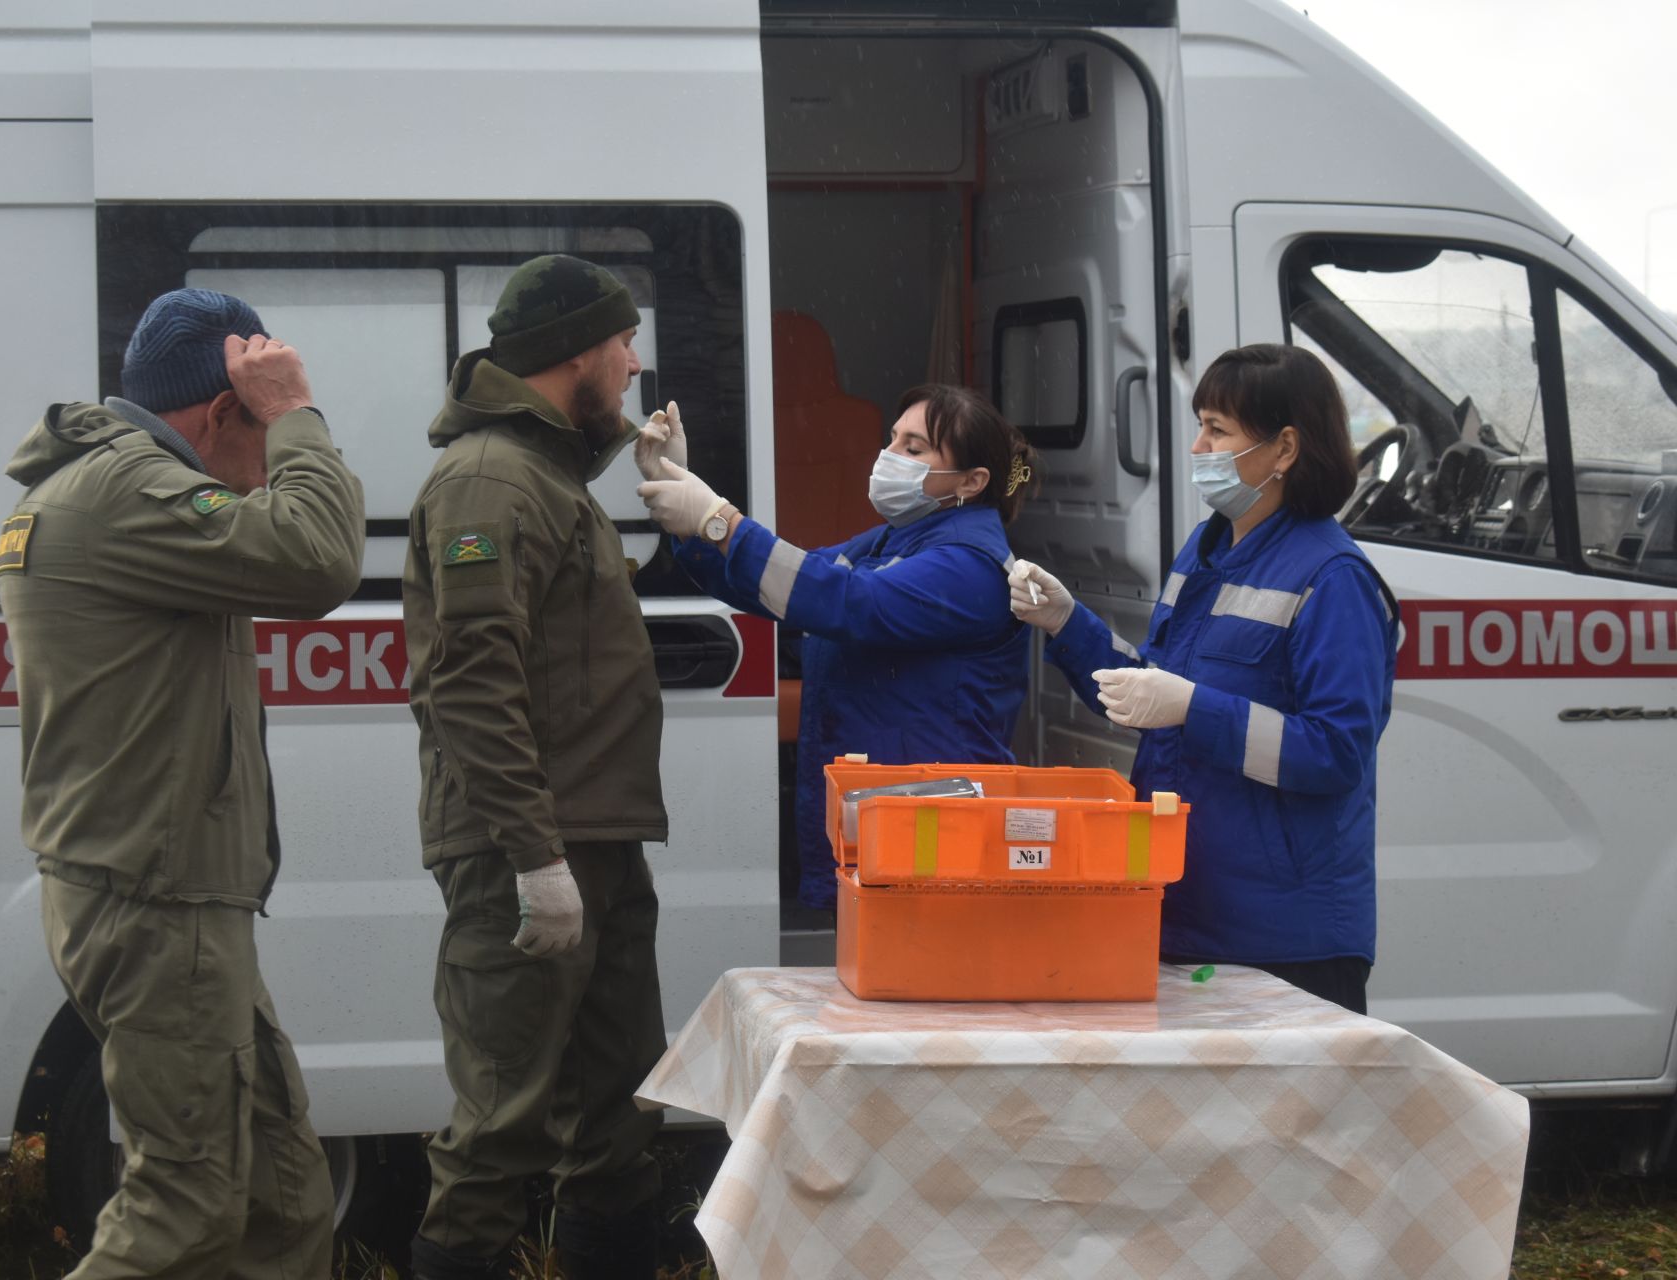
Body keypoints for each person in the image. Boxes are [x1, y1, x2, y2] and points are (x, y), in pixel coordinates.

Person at [0, 288, 366, 1277]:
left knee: (282, 1201)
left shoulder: (101, 487)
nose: (263, 474)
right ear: (221, 412)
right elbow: (320, 559)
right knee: (186, 1203)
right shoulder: (133, 490)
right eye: (258, 433)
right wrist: (298, 414)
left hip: (167, 896)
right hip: (159, 904)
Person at [402, 254, 668, 1280]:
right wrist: (532, 853)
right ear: (574, 352)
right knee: (500, 1130)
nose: (636, 364)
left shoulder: (540, 473)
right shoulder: (487, 475)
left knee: (615, 1123)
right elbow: (471, 679)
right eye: (623, 343)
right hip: (533, 850)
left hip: (589, 840)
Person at [1008, 343, 1396, 1014]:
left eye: (1218, 428)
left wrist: (1195, 708)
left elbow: (1334, 752)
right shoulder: (1207, 547)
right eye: (1201, 424)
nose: (1197, 445)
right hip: (1185, 907)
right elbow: (1154, 693)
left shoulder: (1335, 580)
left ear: (1284, 449)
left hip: (1286, 939)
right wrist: (1068, 623)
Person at [635, 383, 1034, 915]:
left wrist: (719, 520)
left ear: (972, 481)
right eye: (892, 440)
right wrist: (692, 515)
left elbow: (844, 601)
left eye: (914, 449)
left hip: (934, 827)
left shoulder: (969, 566)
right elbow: (786, 588)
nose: (889, 456)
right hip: (891, 822)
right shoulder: (893, 541)